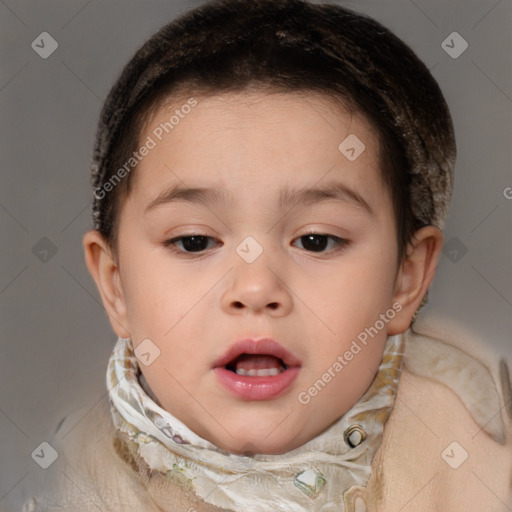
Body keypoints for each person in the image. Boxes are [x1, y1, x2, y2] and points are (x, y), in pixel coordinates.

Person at [26, 0, 512, 510]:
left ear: (406, 279)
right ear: (115, 284)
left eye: (316, 240)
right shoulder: (58, 489)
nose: (256, 289)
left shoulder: (481, 479)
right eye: (193, 241)